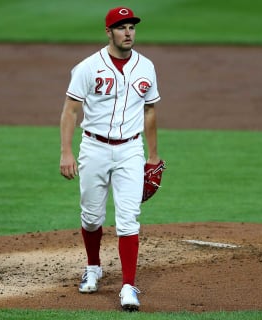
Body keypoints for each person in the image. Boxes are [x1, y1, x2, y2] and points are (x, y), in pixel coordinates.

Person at [59, 6, 161, 311]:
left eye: (131, 27)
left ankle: (128, 286)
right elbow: (70, 110)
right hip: (94, 148)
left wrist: (153, 156)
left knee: (128, 219)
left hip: (131, 149)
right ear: (109, 32)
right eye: (121, 27)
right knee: (91, 217)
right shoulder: (88, 67)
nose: (128, 32)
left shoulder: (146, 67)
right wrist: (66, 151)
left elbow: (150, 110)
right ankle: (93, 267)